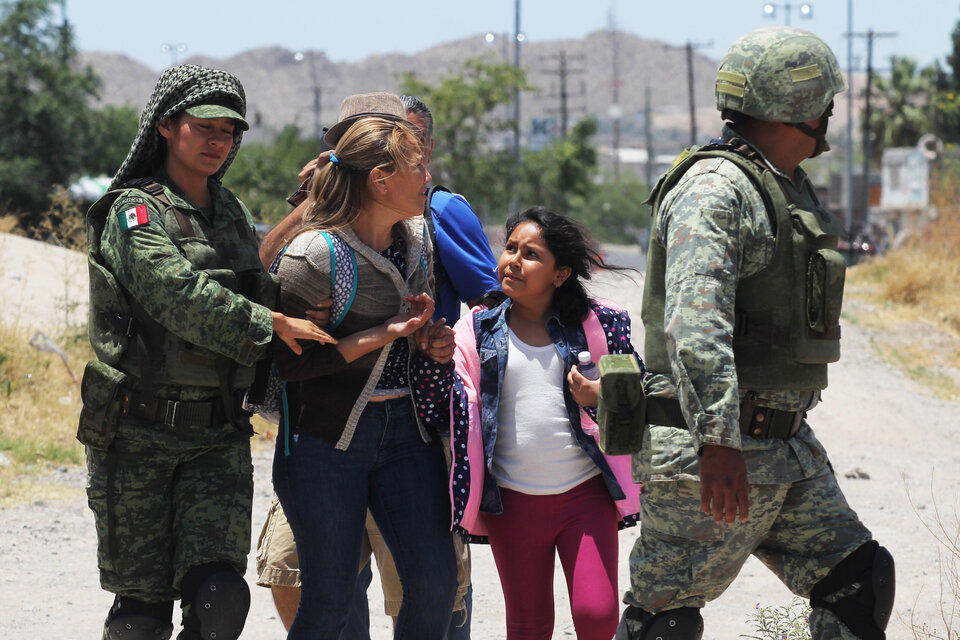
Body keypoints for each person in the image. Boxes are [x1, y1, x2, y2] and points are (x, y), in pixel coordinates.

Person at [615, 27, 895, 640]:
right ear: (801, 105)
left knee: (858, 579)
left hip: (783, 451)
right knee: (664, 621)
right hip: (710, 453)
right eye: (825, 100)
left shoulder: (782, 185)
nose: (830, 112)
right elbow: (695, 323)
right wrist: (719, 442)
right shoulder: (715, 190)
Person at [79, 64, 333, 640]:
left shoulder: (231, 212)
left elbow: (258, 280)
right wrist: (271, 322)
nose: (220, 140)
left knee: (219, 597)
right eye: (205, 126)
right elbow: (177, 293)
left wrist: (305, 292)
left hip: (216, 434)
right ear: (167, 126)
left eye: (230, 130)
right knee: (140, 615)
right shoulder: (132, 212)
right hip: (137, 435)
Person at [256, 93, 498, 637]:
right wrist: (383, 333)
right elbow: (292, 367)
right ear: (382, 180)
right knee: (331, 596)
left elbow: (445, 321)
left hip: (406, 433)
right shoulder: (315, 255)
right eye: (419, 168)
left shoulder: (417, 239)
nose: (429, 177)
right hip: (326, 442)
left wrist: (428, 340)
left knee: (437, 583)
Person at [414, 207, 642, 639]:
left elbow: (640, 391)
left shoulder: (599, 323)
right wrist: (433, 361)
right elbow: (435, 410)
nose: (513, 260)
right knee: (528, 626)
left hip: (585, 496)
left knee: (597, 616)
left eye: (532, 254)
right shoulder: (475, 330)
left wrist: (601, 396)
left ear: (561, 273)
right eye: (510, 248)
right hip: (513, 503)